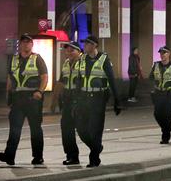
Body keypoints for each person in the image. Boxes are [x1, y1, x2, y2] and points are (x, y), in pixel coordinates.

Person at [0, 34, 48, 166]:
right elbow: (10, 77)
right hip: (18, 99)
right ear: (20, 44)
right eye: (23, 42)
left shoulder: (37, 58)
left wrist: (40, 91)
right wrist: (8, 94)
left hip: (33, 98)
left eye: (28, 42)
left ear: (32, 45)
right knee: (14, 128)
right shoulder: (14, 59)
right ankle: (9, 156)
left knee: (35, 129)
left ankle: (38, 157)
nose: (26, 44)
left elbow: (44, 77)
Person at [74, 35, 121, 168]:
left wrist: (117, 101)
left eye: (87, 44)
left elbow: (112, 80)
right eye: (85, 43)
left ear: (94, 45)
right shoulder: (82, 59)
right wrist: (76, 100)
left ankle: (94, 159)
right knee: (81, 129)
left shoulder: (104, 59)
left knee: (95, 130)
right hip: (83, 98)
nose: (85, 46)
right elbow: (79, 80)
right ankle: (97, 147)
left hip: (98, 99)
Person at [50, 41, 83, 165]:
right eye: (67, 50)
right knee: (66, 129)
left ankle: (95, 148)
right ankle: (72, 156)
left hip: (80, 101)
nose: (68, 53)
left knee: (83, 130)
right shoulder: (66, 64)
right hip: (68, 101)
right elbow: (60, 83)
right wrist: (53, 101)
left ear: (79, 51)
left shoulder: (84, 64)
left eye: (71, 50)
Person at [150, 46, 171, 144]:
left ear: (168, 54)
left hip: (169, 94)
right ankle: (167, 128)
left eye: (164, 53)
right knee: (157, 114)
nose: (162, 55)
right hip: (158, 94)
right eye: (161, 53)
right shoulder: (156, 65)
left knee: (168, 115)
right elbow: (150, 77)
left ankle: (165, 137)